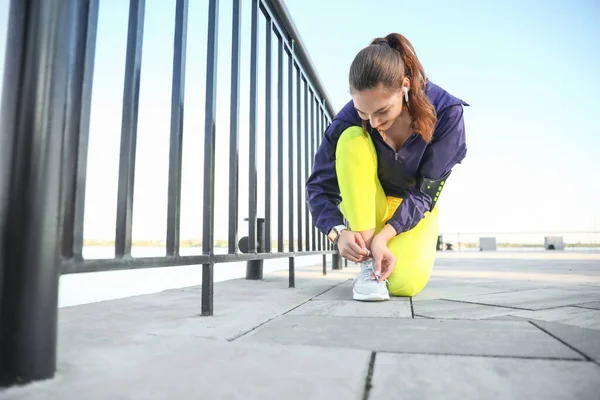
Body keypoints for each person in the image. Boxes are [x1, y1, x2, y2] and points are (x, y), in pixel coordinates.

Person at [306, 33, 468, 301]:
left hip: (413, 208)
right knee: (350, 138)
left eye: (381, 112)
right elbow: (318, 187)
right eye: (363, 113)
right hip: (367, 205)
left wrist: (384, 238)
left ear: (404, 87)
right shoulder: (347, 119)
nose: (373, 122)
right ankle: (368, 265)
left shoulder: (447, 113)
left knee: (404, 285)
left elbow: (425, 193)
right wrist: (338, 232)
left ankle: (378, 248)